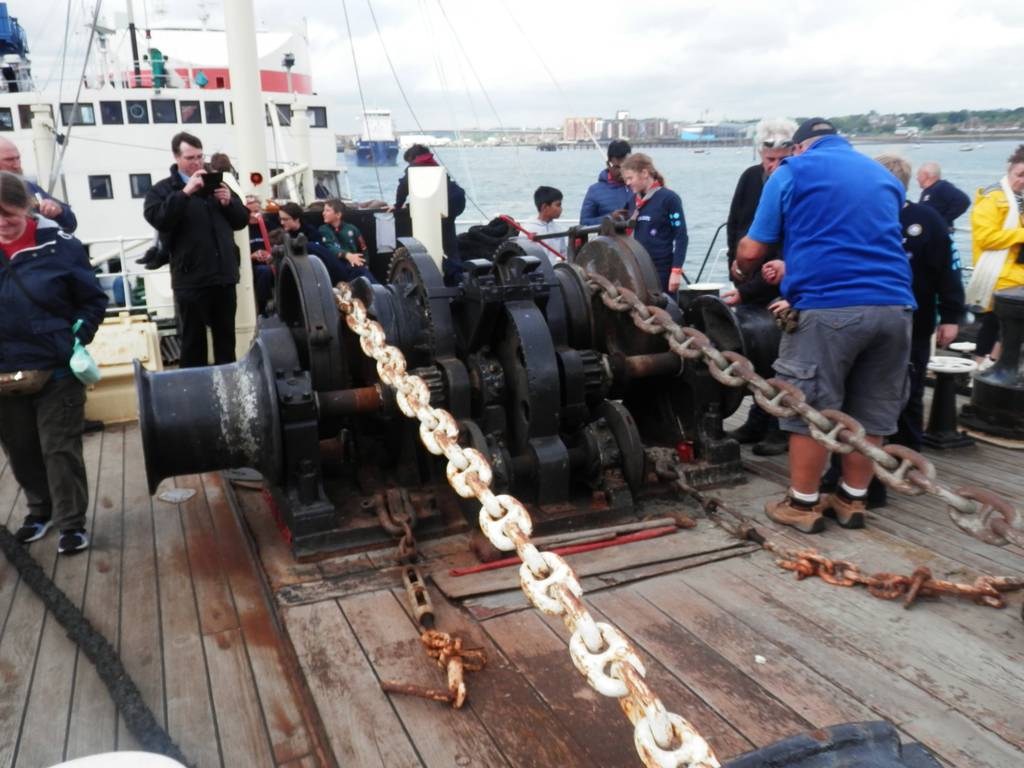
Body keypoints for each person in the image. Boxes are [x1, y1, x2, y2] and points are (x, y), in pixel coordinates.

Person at [733, 118, 915, 534]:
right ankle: (852, 501)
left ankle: (802, 503)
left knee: (808, 407)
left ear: (799, 148)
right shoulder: (880, 173)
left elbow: (754, 246)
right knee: (870, 412)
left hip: (830, 308)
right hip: (895, 307)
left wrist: (745, 270)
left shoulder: (793, 171)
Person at [0, 172, 108, 554]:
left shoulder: (60, 246)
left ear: (27, 209)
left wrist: (79, 334)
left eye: (8, 214)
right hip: (4, 374)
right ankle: (39, 510)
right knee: (20, 448)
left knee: (59, 448)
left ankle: (71, 523)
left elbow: (93, 299)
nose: (2, 223)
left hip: (56, 368)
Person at [721, 118, 797, 457]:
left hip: (784, 280)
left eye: (782, 159)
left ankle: (780, 426)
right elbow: (737, 223)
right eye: (769, 159)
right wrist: (736, 270)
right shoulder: (750, 179)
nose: (774, 166)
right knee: (756, 353)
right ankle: (758, 417)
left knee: (785, 356)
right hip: (751, 276)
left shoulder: (798, 183)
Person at [143, 132, 249, 368]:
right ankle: (194, 396)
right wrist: (185, 193)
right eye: (191, 157)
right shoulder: (162, 190)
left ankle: (230, 392)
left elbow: (241, 220)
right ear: (177, 158)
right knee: (193, 344)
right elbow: (159, 219)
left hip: (223, 276)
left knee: (225, 342)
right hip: (190, 279)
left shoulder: (216, 184)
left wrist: (228, 202)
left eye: (200, 157)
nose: (197, 163)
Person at [965, 144, 1024, 364]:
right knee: (1006, 325)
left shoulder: (1019, 199)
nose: (1022, 180)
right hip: (1001, 274)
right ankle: (990, 365)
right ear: (1009, 170)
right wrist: (1021, 234)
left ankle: (983, 365)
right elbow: (986, 237)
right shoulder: (992, 198)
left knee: (994, 324)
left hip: (1015, 272)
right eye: (1020, 175)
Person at [395, 144, 467, 281]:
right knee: (448, 240)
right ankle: (457, 275)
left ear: (412, 157)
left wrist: (397, 206)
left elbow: (403, 186)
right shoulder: (435, 165)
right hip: (454, 200)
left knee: (432, 241)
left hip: (441, 204)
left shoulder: (414, 167)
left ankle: (435, 276)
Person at [621, 153, 688, 293]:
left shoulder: (669, 199)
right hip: (638, 267)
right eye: (625, 179)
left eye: (630, 178)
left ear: (644, 173)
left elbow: (681, 237)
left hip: (662, 269)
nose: (627, 183)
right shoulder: (633, 201)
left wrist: (676, 271)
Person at [0, 137, 77, 232]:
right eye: (9, 160)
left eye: (18, 158)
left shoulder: (30, 188)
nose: (17, 165)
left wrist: (58, 211)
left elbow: (70, 224)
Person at [579, 139, 633, 225]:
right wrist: (610, 218)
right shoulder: (595, 190)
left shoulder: (639, 186)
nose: (621, 171)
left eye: (625, 167)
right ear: (608, 164)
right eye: (617, 167)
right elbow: (584, 222)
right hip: (609, 237)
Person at [916, 161, 970, 231]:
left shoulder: (942, 186)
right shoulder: (928, 191)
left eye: (919, 175)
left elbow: (963, 201)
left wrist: (943, 221)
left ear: (926, 175)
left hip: (940, 235)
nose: (917, 178)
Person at [519, 186, 567, 262]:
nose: (561, 209)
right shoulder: (528, 229)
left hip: (556, 271)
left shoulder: (558, 229)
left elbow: (563, 253)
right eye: (558, 205)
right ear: (544, 207)